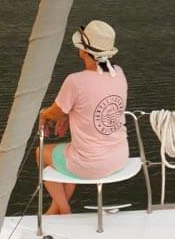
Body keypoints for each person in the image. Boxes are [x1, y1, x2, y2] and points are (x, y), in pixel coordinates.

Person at [38, 20, 129, 215]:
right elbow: (90, 103)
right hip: (120, 157)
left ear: (83, 51)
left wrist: (43, 115)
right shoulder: (119, 74)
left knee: (40, 152)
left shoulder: (75, 81)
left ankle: (64, 209)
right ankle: (55, 210)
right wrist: (68, 115)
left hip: (91, 165)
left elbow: (54, 112)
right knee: (69, 150)